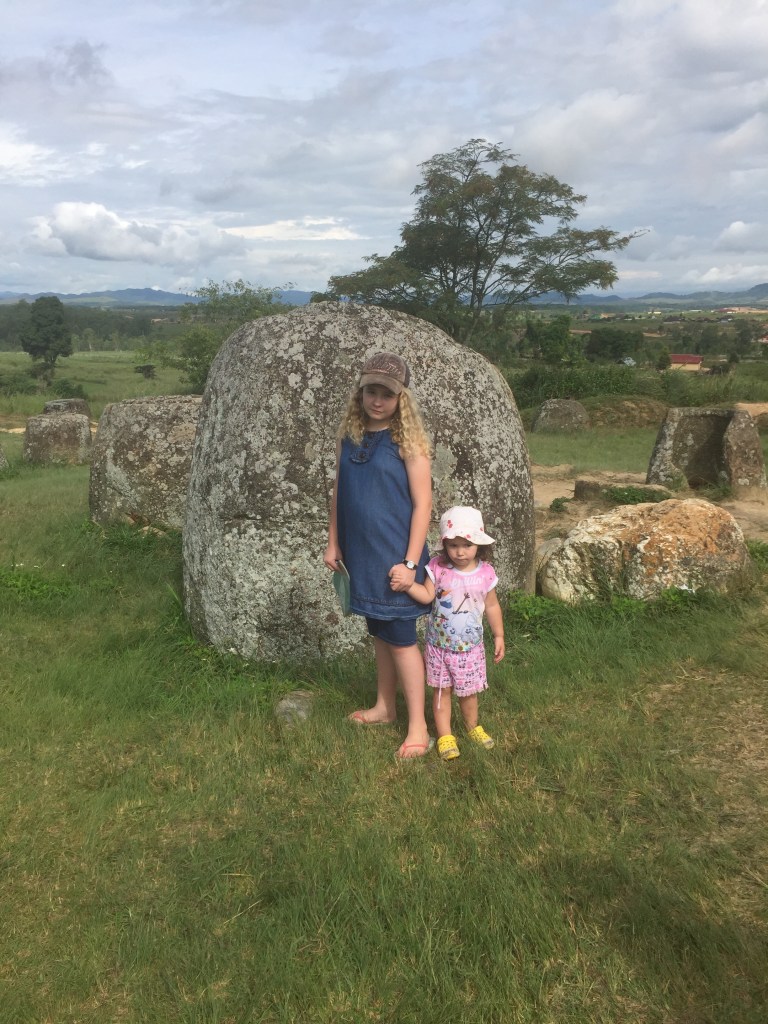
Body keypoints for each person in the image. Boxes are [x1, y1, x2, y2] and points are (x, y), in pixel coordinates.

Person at [324, 351, 434, 759]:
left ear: (400, 398)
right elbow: (339, 493)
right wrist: (334, 541)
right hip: (361, 554)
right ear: (360, 393)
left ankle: (418, 727)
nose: (377, 400)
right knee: (379, 634)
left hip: (396, 558)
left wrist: (409, 564)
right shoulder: (350, 438)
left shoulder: (409, 444)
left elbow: (423, 506)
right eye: (370, 391)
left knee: (402, 638)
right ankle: (385, 707)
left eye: (386, 394)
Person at [406, 506, 505, 761]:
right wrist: (408, 585)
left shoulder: (485, 573)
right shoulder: (438, 568)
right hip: (439, 646)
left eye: (467, 544)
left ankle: (473, 728)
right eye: (453, 545)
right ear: (445, 545)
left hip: (470, 648)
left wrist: (499, 636)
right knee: (442, 692)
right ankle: (445, 735)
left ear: (478, 545)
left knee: (469, 692)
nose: (460, 551)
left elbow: (492, 606)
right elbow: (428, 596)